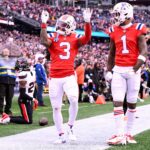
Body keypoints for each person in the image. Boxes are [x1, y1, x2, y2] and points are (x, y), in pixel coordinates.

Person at [40, 9, 92, 143]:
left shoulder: (75, 37)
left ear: (71, 27)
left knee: (74, 99)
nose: (61, 27)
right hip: (54, 76)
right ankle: (61, 134)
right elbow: (43, 41)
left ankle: (70, 126)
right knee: (56, 107)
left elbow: (86, 39)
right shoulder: (54, 36)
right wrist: (43, 24)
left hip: (69, 74)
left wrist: (87, 23)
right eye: (60, 24)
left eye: (64, 25)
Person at [105, 2, 147, 145]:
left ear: (126, 14)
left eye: (117, 14)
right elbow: (111, 54)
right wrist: (108, 70)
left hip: (133, 70)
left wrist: (134, 69)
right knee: (117, 102)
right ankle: (119, 134)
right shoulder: (113, 30)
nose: (115, 17)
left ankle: (128, 134)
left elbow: (144, 52)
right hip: (118, 69)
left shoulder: (138, 29)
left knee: (132, 104)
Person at [0, 57, 38, 124]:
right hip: (23, 100)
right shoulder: (23, 74)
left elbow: (34, 87)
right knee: (28, 121)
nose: (17, 66)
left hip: (29, 99)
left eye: (18, 64)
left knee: (27, 118)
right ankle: (7, 119)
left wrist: (33, 98)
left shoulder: (32, 72)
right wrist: (33, 99)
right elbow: (22, 94)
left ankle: (7, 117)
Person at [0, 48, 16, 115]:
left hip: (11, 81)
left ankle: (7, 110)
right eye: (5, 51)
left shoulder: (13, 61)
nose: (6, 52)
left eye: (7, 51)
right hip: (2, 80)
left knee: (9, 97)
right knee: (1, 97)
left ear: (9, 53)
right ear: (2, 53)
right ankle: (0, 111)